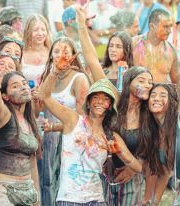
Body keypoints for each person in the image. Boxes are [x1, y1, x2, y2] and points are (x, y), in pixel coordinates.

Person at [76, 6, 155, 205]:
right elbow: (91, 58)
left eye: (118, 46)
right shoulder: (110, 91)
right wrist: (81, 25)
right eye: (111, 45)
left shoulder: (138, 92)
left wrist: (135, 165)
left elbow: (151, 139)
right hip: (104, 153)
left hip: (132, 162)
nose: (112, 50)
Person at [41, 70, 143, 205]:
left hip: (96, 200)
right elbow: (45, 97)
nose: (100, 101)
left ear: (110, 107)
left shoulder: (111, 137)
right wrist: (55, 72)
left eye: (106, 98)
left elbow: (138, 168)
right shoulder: (73, 120)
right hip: (69, 199)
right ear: (88, 103)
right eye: (95, 97)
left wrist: (119, 153)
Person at [40, 36, 90, 206]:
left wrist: (54, 127)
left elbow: (83, 122)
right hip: (48, 138)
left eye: (66, 52)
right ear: (51, 56)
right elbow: (41, 101)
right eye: (57, 51)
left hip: (69, 139)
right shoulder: (49, 76)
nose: (61, 56)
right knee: (47, 183)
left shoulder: (79, 79)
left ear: (74, 56)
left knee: (65, 183)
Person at [0, 71, 41, 206]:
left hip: (28, 191)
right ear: (5, 96)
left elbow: (32, 163)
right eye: (15, 86)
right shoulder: (3, 115)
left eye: (24, 83)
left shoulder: (29, 121)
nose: (23, 87)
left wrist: (37, 199)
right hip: (1, 190)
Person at [143, 83, 178, 205]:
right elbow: (164, 173)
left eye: (163, 95)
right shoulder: (153, 131)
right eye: (153, 95)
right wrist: (153, 203)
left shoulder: (178, 125)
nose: (157, 98)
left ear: (172, 102)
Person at [133, 9, 179, 84]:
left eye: (170, 26)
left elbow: (177, 83)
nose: (170, 31)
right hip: (136, 94)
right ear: (151, 26)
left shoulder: (171, 51)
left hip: (160, 94)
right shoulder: (133, 44)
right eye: (165, 27)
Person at [22, 14, 51, 85]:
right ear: (28, 32)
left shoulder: (53, 52)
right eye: (35, 30)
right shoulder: (21, 54)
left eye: (43, 30)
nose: (40, 33)